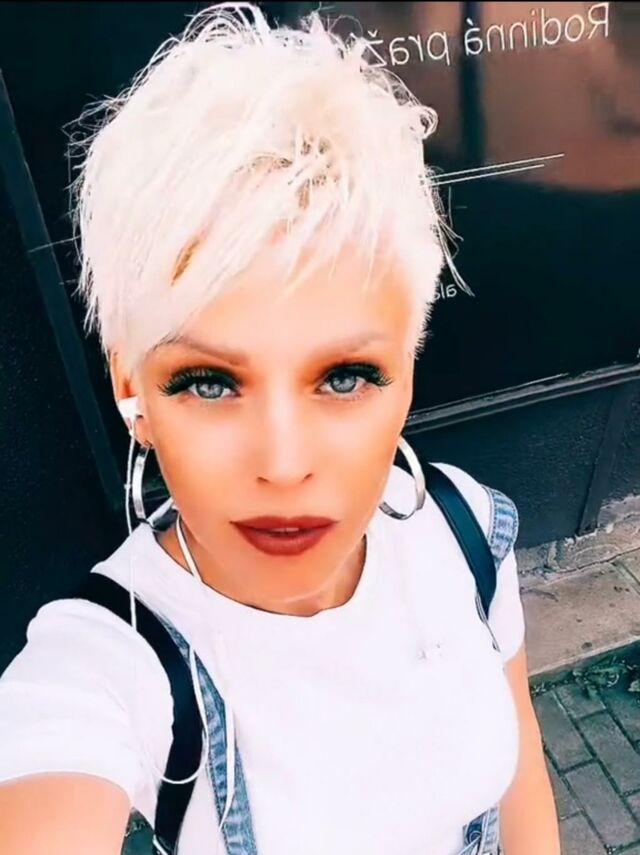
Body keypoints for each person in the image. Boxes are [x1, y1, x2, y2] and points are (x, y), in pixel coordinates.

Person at [0, 4, 560, 854]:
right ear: (130, 386)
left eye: (345, 376)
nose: (285, 462)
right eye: (209, 382)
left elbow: (520, 768)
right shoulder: (105, 666)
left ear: (408, 368)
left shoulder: (468, 530)